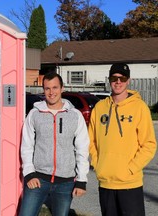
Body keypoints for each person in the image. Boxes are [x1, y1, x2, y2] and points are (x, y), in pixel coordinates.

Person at [88, 63, 157, 216]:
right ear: (109, 80)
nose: (118, 82)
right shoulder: (99, 108)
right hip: (106, 182)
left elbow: (149, 144)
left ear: (128, 80)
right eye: (114, 78)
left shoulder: (139, 107)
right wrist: (98, 164)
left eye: (122, 78)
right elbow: (91, 141)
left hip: (130, 184)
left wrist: (130, 168)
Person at [19, 72, 90, 216]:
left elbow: (82, 148)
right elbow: (26, 145)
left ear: (62, 88)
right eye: (47, 88)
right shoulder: (34, 114)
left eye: (55, 88)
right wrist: (29, 173)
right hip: (38, 179)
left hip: (65, 183)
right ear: (43, 90)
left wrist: (81, 180)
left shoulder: (75, 115)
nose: (51, 93)